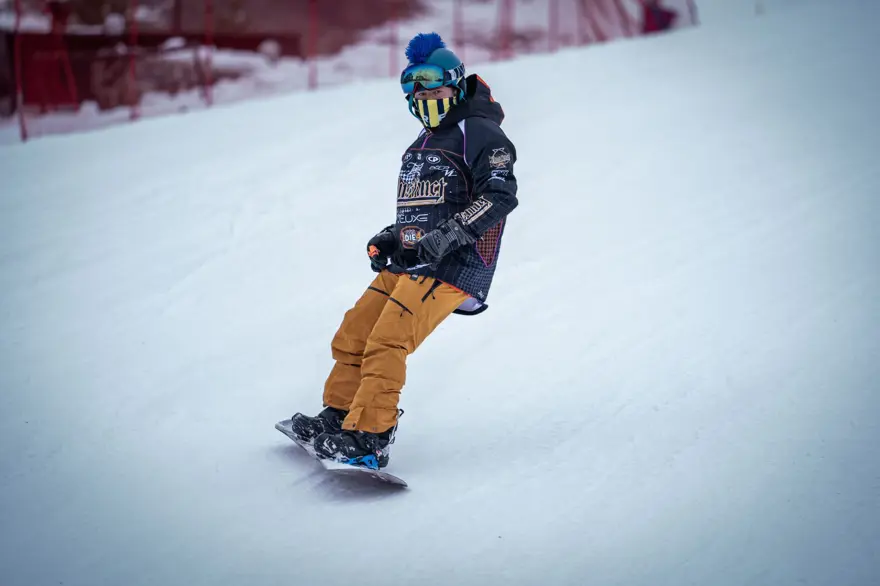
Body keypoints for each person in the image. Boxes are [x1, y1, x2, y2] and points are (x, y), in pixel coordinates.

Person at [281, 32, 519, 469]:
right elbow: (423, 210)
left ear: (456, 83)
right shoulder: (422, 143)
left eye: (434, 88)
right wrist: (392, 237)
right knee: (355, 332)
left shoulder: (481, 132)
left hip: (455, 264)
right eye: (415, 90)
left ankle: (370, 436)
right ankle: (339, 417)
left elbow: (499, 196)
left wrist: (448, 237)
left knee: (388, 340)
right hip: (413, 261)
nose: (425, 97)